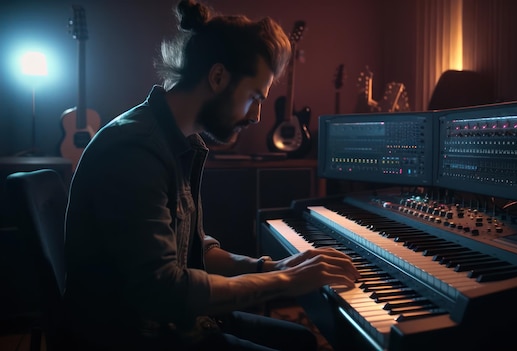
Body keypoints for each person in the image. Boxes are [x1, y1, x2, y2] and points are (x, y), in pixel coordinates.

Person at [62, 1, 360, 350]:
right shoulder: (135, 151)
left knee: (302, 341)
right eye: (253, 97)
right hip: (135, 334)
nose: (257, 115)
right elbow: (164, 291)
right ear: (218, 77)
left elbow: (193, 249)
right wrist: (284, 281)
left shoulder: (177, 139)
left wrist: (271, 266)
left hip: (171, 321)